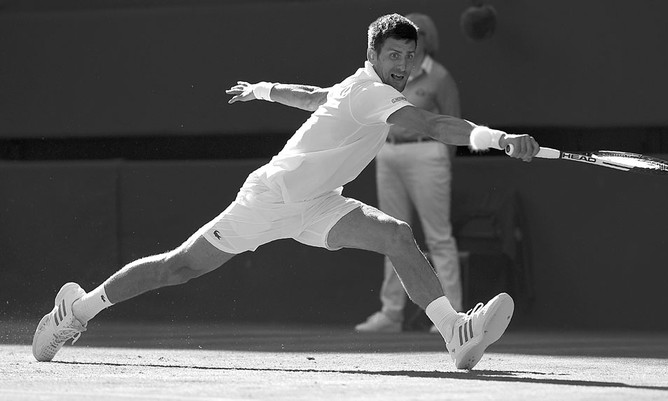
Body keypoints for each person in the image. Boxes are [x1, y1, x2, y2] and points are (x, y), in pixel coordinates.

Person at [32, 13, 539, 370]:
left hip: (320, 204)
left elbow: (316, 97)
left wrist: (265, 89)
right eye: (393, 56)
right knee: (178, 267)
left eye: (409, 56)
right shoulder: (373, 93)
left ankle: (454, 331)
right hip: (270, 200)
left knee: (397, 236)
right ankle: (76, 311)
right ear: (373, 56)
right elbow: (429, 122)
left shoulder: (355, 88)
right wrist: (495, 139)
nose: (403, 65)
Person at [355, 13, 463, 333]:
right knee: (391, 232)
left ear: (427, 41)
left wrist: (441, 158)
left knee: (438, 236)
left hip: (427, 153)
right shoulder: (384, 76)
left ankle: (453, 313)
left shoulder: (441, 77)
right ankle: (391, 313)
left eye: (417, 36)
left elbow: (451, 121)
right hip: (388, 152)